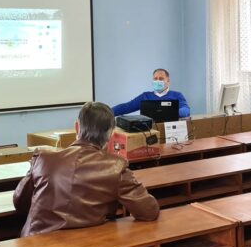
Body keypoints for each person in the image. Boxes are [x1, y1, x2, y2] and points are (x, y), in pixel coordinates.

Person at [14, 101, 160, 236]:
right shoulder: (115, 166)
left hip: (35, 242)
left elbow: (20, 203)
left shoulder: (43, 158)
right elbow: (149, 211)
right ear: (111, 134)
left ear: (77, 127)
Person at [112, 68, 191, 118]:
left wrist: (169, 112)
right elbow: (127, 107)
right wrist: (108, 112)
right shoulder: (145, 96)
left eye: (161, 78)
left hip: (170, 131)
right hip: (150, 132)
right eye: (155, 79)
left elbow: (186, 110)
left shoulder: (177, 95)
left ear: (168, 81)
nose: (158, 81)